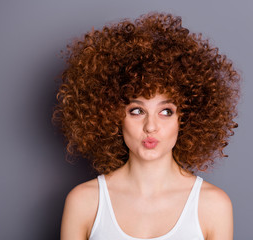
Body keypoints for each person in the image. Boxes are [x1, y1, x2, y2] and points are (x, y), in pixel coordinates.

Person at [54, 12, 240, 240]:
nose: (150, 127)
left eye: (165, 112)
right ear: (111, 114)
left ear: (186, 118)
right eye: (137, 111)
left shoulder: (213, 205)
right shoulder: (84, 202)